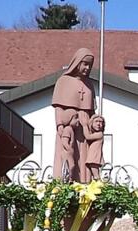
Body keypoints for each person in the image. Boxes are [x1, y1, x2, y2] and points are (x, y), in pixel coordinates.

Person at [51, 48, 96, 182]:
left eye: (90, 65)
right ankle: (65, 181)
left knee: (84, 158)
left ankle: (84, 184)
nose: (87, 68)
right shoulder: (63, 81)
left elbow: (92, 110)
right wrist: (59, 124)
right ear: (77, 63)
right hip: (68, 125)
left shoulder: (89, 84)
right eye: (85, 64)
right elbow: (58, 106)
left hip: (85, 126)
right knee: (68, 155)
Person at [81, 114, 105, 181]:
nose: (98, 124)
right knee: (94, 174)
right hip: (93, 155)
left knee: (96, 175)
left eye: (101, 122)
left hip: (95, 156)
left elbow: (88, 136)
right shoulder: (96, 133)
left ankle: (98, 185)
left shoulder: (100, 134)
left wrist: (84, 126)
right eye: (96, 121)